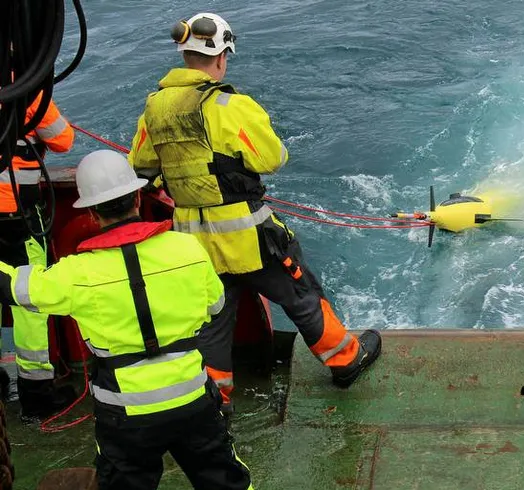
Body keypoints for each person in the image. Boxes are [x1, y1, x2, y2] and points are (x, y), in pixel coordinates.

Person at [128, 12, 381, 413]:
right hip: (248, 237)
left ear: (184, 54)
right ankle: (345, 360)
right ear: (222, 56)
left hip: (192, 244)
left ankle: (216, 399)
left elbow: (141, 167)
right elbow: (271, 157)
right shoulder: (231, 105)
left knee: (212, 320)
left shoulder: (154, 110)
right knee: (299, 294)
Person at [0, 149, 253, 490]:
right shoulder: (187, 248)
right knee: (227, 480)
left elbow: (16, 289)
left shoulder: (77, 273)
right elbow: (216, 305)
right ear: (137, 195)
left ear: (91, 211)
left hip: (125, 415)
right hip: (193, 400)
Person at [0, 88, 76, 418]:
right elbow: (63, 139)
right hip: (15, 216)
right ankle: (36, 393)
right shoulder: (25, 88)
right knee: (29, 298)